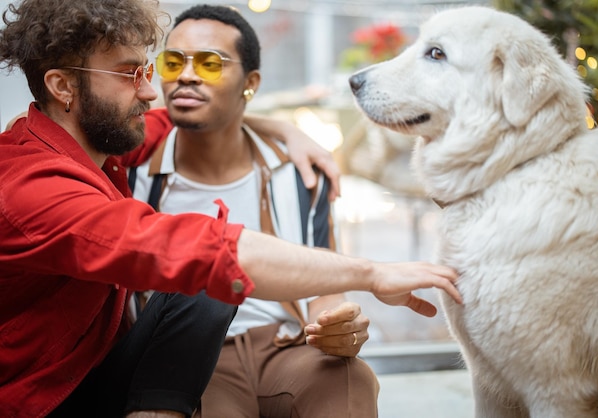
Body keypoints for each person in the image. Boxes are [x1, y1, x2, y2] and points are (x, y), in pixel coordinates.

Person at [0, 0, 462, 417]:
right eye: (130, 74)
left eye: (147, 71)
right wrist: (373, 274)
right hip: (42, 397)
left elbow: (196, 114)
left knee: (332, 372)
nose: (150, 92)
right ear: (62, 87)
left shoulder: (104, 146)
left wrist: (280, 127)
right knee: (201, 262)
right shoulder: (31, 184)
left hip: (102, 369)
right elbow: (202, 249)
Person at [128, 5, 378, 417]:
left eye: (210, 63)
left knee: (350, 378)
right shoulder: (133, 171)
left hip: (285, 345)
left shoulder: (298, 173)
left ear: (251, 83)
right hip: (188, 352)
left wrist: (338, 324)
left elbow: (324, 285)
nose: (186, 75)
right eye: (173, 62)